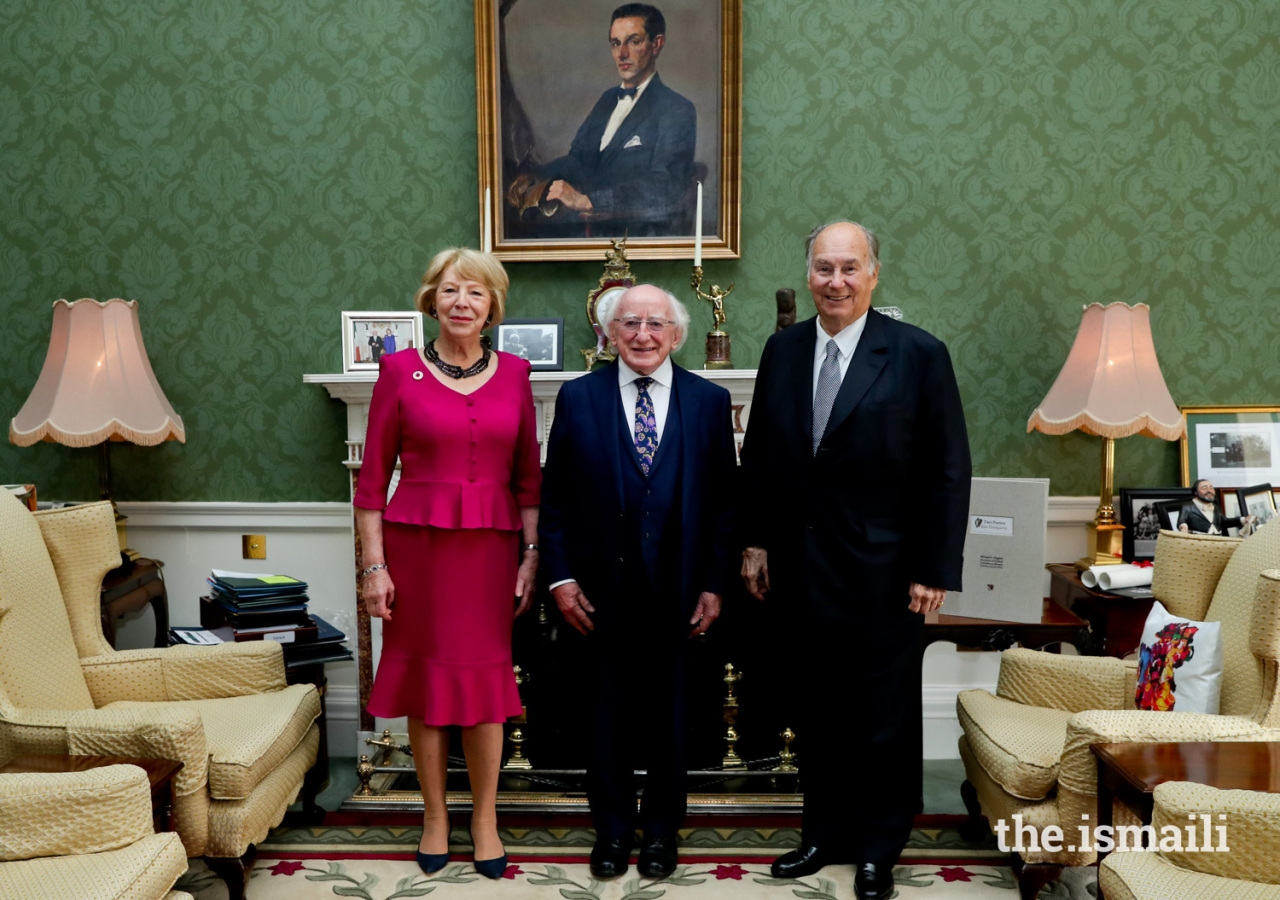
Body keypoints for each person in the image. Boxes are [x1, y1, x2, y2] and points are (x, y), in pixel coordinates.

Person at [739, 221, 972, 900]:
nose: (834, 282)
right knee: (816, 710)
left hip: (887, 573)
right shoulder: (782, 351)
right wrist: (754, 541)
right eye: (822, 268)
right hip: (799, 569)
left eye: (848, 268)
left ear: (873, 273)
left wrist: (935, 567)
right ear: (807, 274)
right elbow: (760, 456)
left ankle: (877, 847)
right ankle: (823, 833)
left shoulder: (918, 354)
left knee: (882, 716)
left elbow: (946, 469)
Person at [353, 248, 541, 880]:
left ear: (493, 307)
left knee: (486, 686)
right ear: (431, 299)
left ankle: (484, 819)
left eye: (477, 293)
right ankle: (435, 817)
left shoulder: (516, 373)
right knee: (426, 683)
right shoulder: (397, 371)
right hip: (417, 551)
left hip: (490, 551)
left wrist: (532, 556)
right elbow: (371, 484)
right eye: (452, 291)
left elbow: (529, 481)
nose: (463, 303)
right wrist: (373, 568)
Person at [539, 284, 736, 880]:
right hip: (599, 592)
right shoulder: (578, 398)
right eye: (629, 324)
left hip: (679, 591)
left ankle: (660, 834)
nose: (643, 335)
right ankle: (614, 831)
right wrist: (562, 578)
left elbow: (725, 505)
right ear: (609, 334)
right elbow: (557, 502)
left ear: (676, 334)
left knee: (674, 717)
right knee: (605, 717)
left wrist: (714, 583)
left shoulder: (709, 401)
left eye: (655, 324)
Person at [517, 4, 696, 236]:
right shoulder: (608, 99)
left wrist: (588, 200)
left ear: (656, 44)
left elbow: (664, 187)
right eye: (615, 43)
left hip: (638, 238)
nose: (622, 54)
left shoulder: (677, 109)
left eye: (633, 41)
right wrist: (535, 175)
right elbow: (578, 161)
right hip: (585, 232)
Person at [1178, 479, 1254, 534]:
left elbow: (1224, 522)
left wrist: (1243, 520)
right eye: (1204, 488)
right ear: (1195, 492)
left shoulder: (1215, 507)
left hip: (1217, 542)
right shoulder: (1187, 507)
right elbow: (1182, 521)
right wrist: (1183, 527)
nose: (1209, 490)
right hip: (1198, 542)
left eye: (1211, 488)